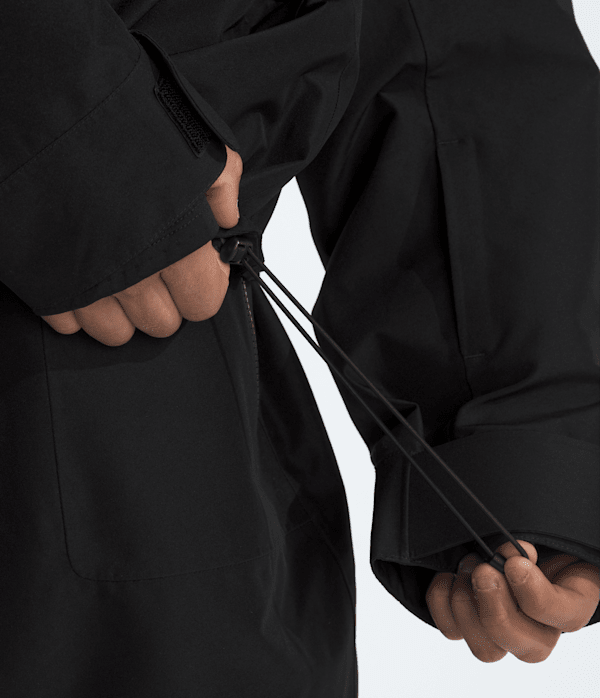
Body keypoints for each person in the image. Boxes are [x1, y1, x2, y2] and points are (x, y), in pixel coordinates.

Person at [0, 0, 598, 695]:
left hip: (142, 378)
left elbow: (450, 35)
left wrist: (515, 456)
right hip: (129, 287)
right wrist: (56, 107)